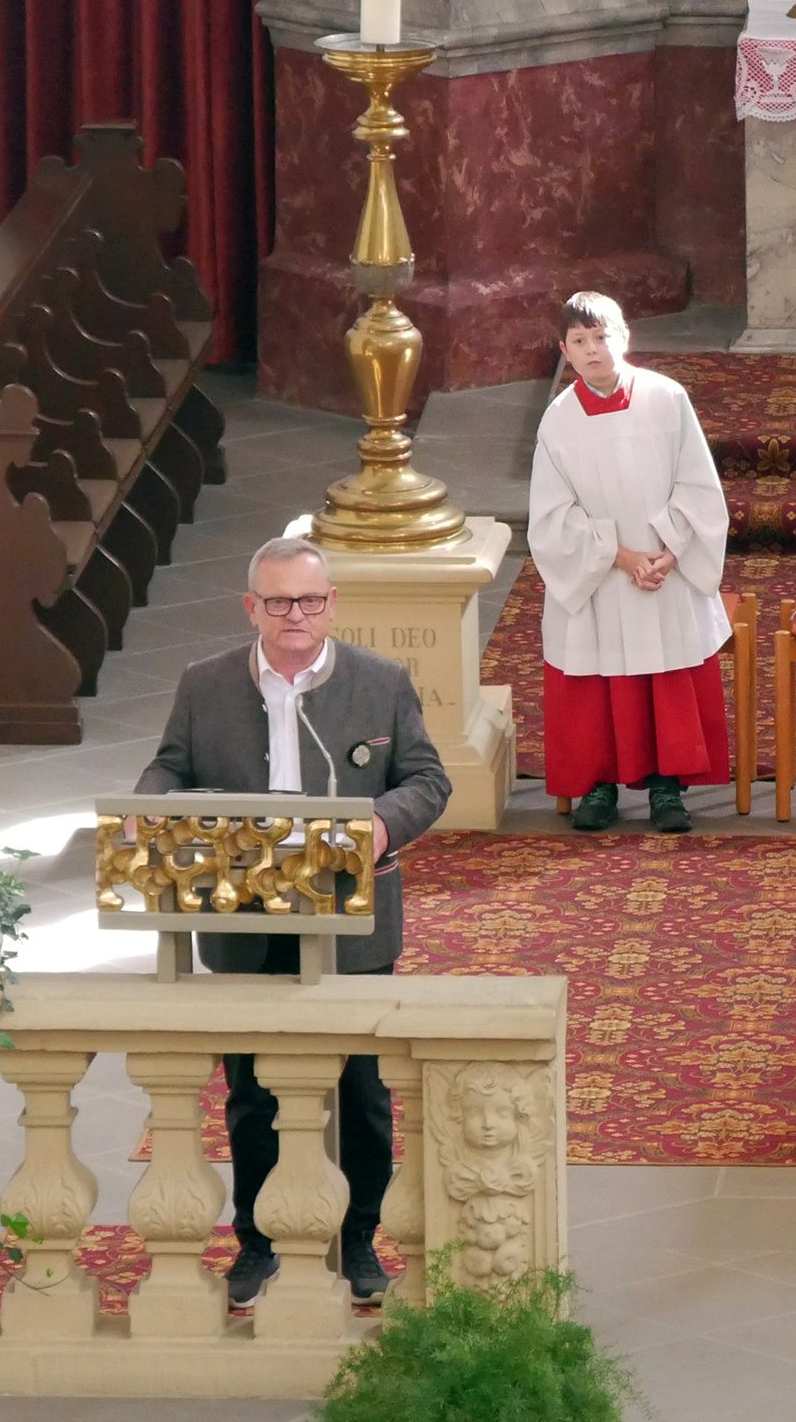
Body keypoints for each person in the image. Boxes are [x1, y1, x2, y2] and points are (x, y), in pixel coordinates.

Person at [136, 535, 450, 1309]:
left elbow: (426, 779)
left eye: (309, 600)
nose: (295, 615)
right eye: (278, 601)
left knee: (361, 1094)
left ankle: (358, 1240)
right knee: (251, 1095)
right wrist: (149, 805)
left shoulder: (381, 682)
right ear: (252, 608)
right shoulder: (205, 684)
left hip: (349, 916)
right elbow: (170, 765)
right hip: (242, 913)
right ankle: (258, 1243)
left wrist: (381, 824)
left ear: (332, 604)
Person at [529, 291, 731, 833]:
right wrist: (618, 557)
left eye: (602, 337)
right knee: (597, 680)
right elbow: (551, 517)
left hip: (666, 569)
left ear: (624, 337)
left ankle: (668, 787)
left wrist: (670, 551)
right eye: (579, 341)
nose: (592, 350)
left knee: (665, 673)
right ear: (564, 350)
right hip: (601, 576)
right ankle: (600, 786)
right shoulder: (558, 422)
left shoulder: (667, 399)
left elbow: (699, 485)